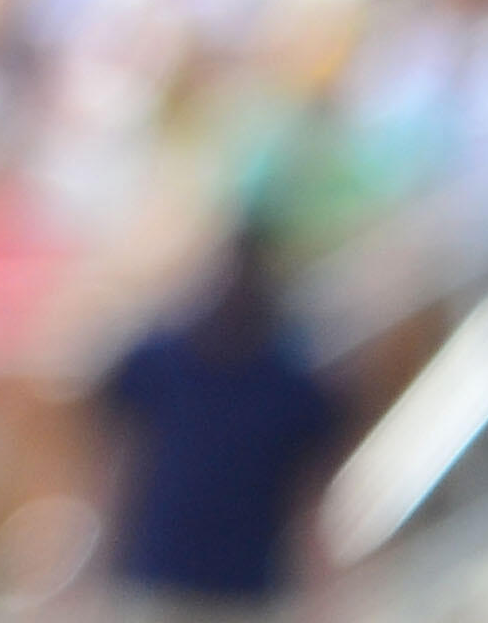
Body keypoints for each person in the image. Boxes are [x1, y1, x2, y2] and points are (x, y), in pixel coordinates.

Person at [93, 220, 341, 615]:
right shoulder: (156, 364)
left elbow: (307, 501)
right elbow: (118, 466)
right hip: (160, 580)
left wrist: (324, 596)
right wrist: (99, 565)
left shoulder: (293, 386)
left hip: (247, 591)